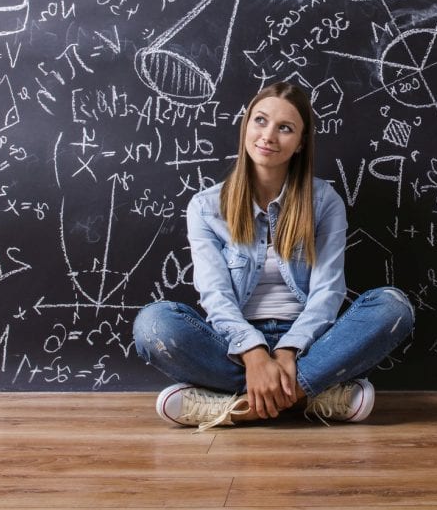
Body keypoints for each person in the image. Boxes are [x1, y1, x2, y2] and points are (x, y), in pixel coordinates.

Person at [133, 81, 415, 431]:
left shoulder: (324, 202)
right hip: (232, 343)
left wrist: (287, 351)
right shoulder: (205, 206)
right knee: (153, 323)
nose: (268, 135)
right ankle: (309, 396)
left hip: (311, 346)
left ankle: (240, 407)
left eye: (285, 128)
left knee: (392, 307)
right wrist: (253, 354)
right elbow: (214, 294)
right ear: (246, 126)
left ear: (300, 143)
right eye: (261, 121)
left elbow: (328, 292)